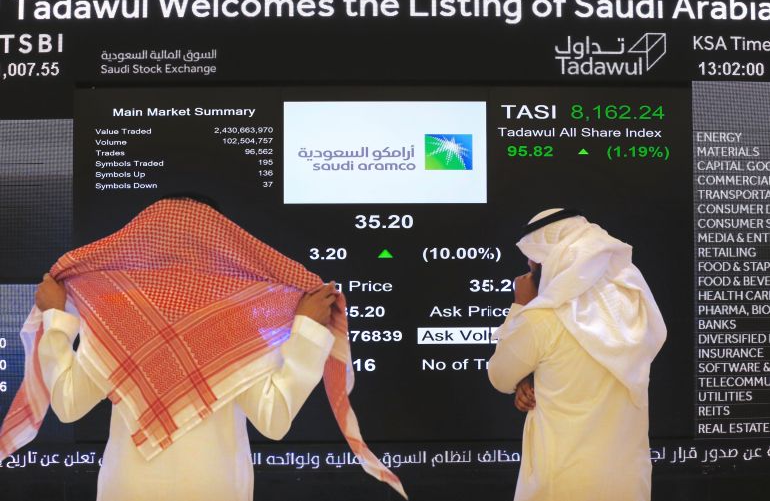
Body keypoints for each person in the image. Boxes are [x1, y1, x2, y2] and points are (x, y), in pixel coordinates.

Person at [0, 197, 405, 500]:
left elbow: (68, 405)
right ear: (223, 245)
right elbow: (274, 420)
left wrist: (56, 319)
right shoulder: (237, 322)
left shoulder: (118, 317)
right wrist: (306, 332)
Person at [488, 208, 666, 501]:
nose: (529, 266)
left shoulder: (542, 319)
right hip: (626, 481)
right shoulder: (634, 309)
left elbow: (500, 375)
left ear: (551, 260)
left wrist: (520, 307)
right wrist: (532, 378)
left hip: (561, 483)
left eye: (533, 258)